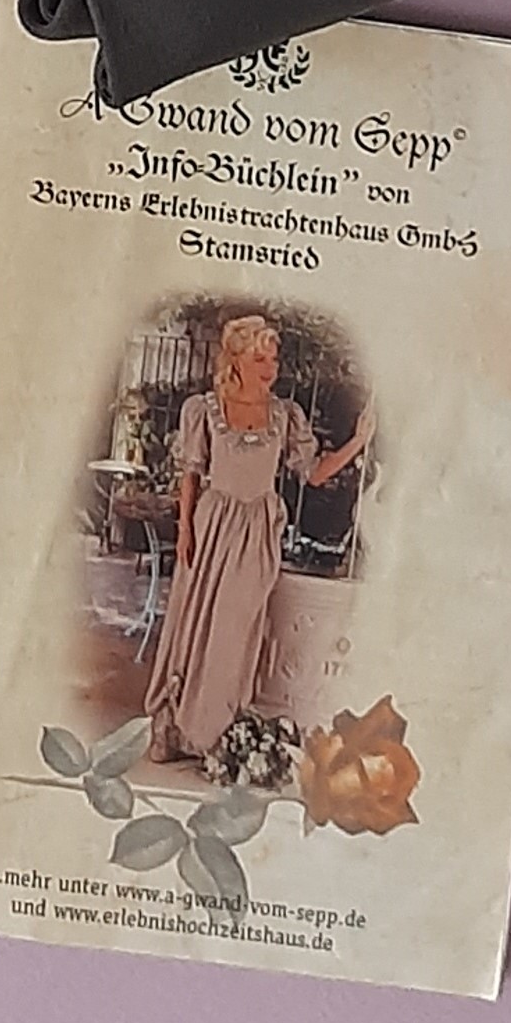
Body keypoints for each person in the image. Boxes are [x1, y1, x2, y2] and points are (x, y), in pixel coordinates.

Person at [145, 315, 371, 766]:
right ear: (237, 361)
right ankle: (168, 727)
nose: (271, 367)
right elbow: (191, 475)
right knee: (191, 623)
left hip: (256, 535)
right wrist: (185, 529)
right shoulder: (205, 410)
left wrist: (358, 441)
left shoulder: (285, 416)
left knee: (233, 632)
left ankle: (214, 735)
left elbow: (314, 473)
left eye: (274, 358)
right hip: (211, 526)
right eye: (260, 358)